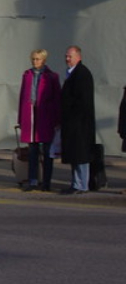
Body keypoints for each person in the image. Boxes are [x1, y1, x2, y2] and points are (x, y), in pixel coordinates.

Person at [17, 49, 61, 192]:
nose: (35, 61)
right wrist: (21, 118)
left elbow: (57, 99)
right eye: (33, 59)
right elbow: (22, 96)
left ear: (44, 60)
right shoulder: (27, 75)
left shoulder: (52, 76)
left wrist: (57, 119)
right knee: (32, 151)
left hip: (45, 117)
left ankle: (46, 182)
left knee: (47, 152)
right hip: (31, 116)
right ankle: (33, 181)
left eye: (38, 59)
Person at [59, 45, 96, 195]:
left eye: (70, 56)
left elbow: (82, 100)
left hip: (80, 123)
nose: (67, 59)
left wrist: (72, 112)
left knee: (81, 155)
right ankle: (76, 183)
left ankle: (82, 184)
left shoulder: (82, 74)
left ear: (78, 57)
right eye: (66, 56)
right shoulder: (72, 73)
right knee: (74, 154)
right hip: (72, 123)